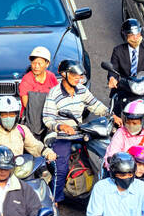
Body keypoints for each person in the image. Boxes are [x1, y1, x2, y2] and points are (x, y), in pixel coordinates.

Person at [44, 61, 115, 204]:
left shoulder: (81, 89)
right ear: (64, 74)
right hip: (60, 135)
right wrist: (61, 126)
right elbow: (48, 118)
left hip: (80, 131)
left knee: (105, 154)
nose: (78, 78)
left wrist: (111, 115)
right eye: (74, 75)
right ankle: (55, 199)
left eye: (80, 76)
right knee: (61, 166)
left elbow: (95, 105)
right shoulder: (54, 93)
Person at [19, 46, 58, 136]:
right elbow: (26, 104)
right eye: (34, 63)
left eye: (40, 64)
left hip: (49, 116)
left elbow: (57, 95)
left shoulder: (51, 77)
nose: (36, 66)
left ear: (47, 64)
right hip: (31, 119)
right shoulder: (27, 79)